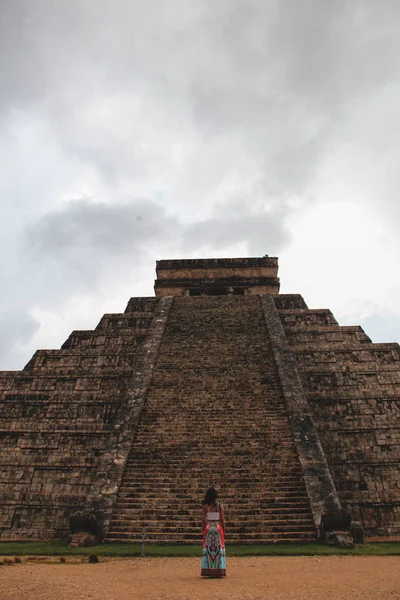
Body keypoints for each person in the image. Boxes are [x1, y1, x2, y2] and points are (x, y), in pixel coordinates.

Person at [201, 487, 226, 578]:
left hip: (208, 528)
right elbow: (222, 520)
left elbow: (203, 520)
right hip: (217, 527)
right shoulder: (219, 506)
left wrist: (204, 529)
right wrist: (224, 530)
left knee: (208, 549)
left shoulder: (205, 507)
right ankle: (218, 569)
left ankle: (208, 569)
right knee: (218, 549)